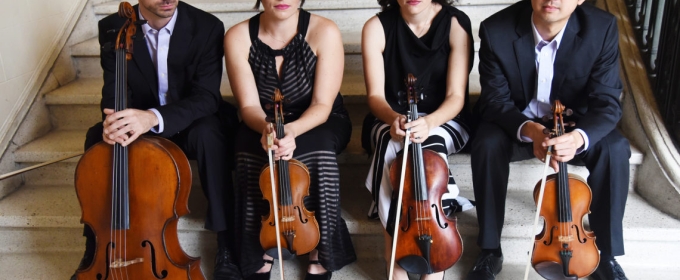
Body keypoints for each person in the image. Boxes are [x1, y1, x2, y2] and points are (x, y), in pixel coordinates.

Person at [72, 1, 241, 279]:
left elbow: (206, 97)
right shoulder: (113, 27)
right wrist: (114, 123)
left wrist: (152, 117)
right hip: (140, 120)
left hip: (190, 119)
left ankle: (226, 241)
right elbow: (114, 89)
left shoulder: (207, 26)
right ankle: (96, 243)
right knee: (97, 139)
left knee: (209, 134)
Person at [469, 0, 630, 279]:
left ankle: (607, 254)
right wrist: (530, 130)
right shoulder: (496, 29)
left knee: (615, 148)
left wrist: (578, 138)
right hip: (519, 123)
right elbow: (494, 101)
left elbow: (607, 102)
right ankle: (489, 251)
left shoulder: (601, 28)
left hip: (573, 125)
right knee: (486, 143)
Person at [224, 0, 356, 279]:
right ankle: (258, 248)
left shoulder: (324, 31)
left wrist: (293, 131)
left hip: (320, 118)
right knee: (246, 150)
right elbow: (248, 107)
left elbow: (322, 104)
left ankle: (321, 248)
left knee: (316, 150)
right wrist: (268, 130)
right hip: (262, 120)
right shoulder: (237, 36)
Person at [361, 0, 474, 279]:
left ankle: (435, 266)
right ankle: (396, 263)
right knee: (392, 144)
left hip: (444, 118)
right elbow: (375, 97)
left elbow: (456, 97)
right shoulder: (376, 26)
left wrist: (429, 122)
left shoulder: (455, 24)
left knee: (429, 147)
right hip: (389, 117)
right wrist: (393, 119)